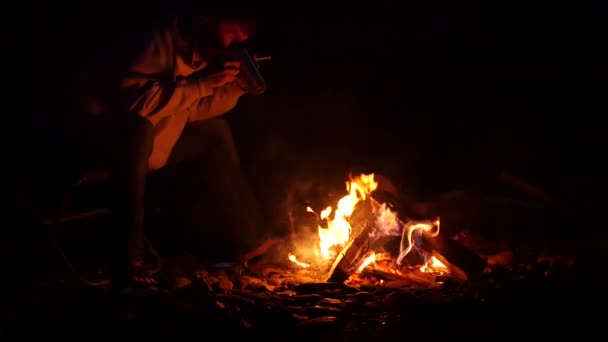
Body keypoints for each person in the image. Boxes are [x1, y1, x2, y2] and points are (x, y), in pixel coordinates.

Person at [76, 13, 275, 291]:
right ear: (207, 18)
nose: (234, 45)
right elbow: (134, 105)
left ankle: (250, 240)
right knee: (137, 130)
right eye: (232, 35)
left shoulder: (201, 54)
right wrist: (203, 84)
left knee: (214, 131)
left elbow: (190, 109)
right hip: (103, 146)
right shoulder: (156, 39)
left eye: (241, 41)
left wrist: (233, 89)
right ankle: (127, 258)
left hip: (150, 144)